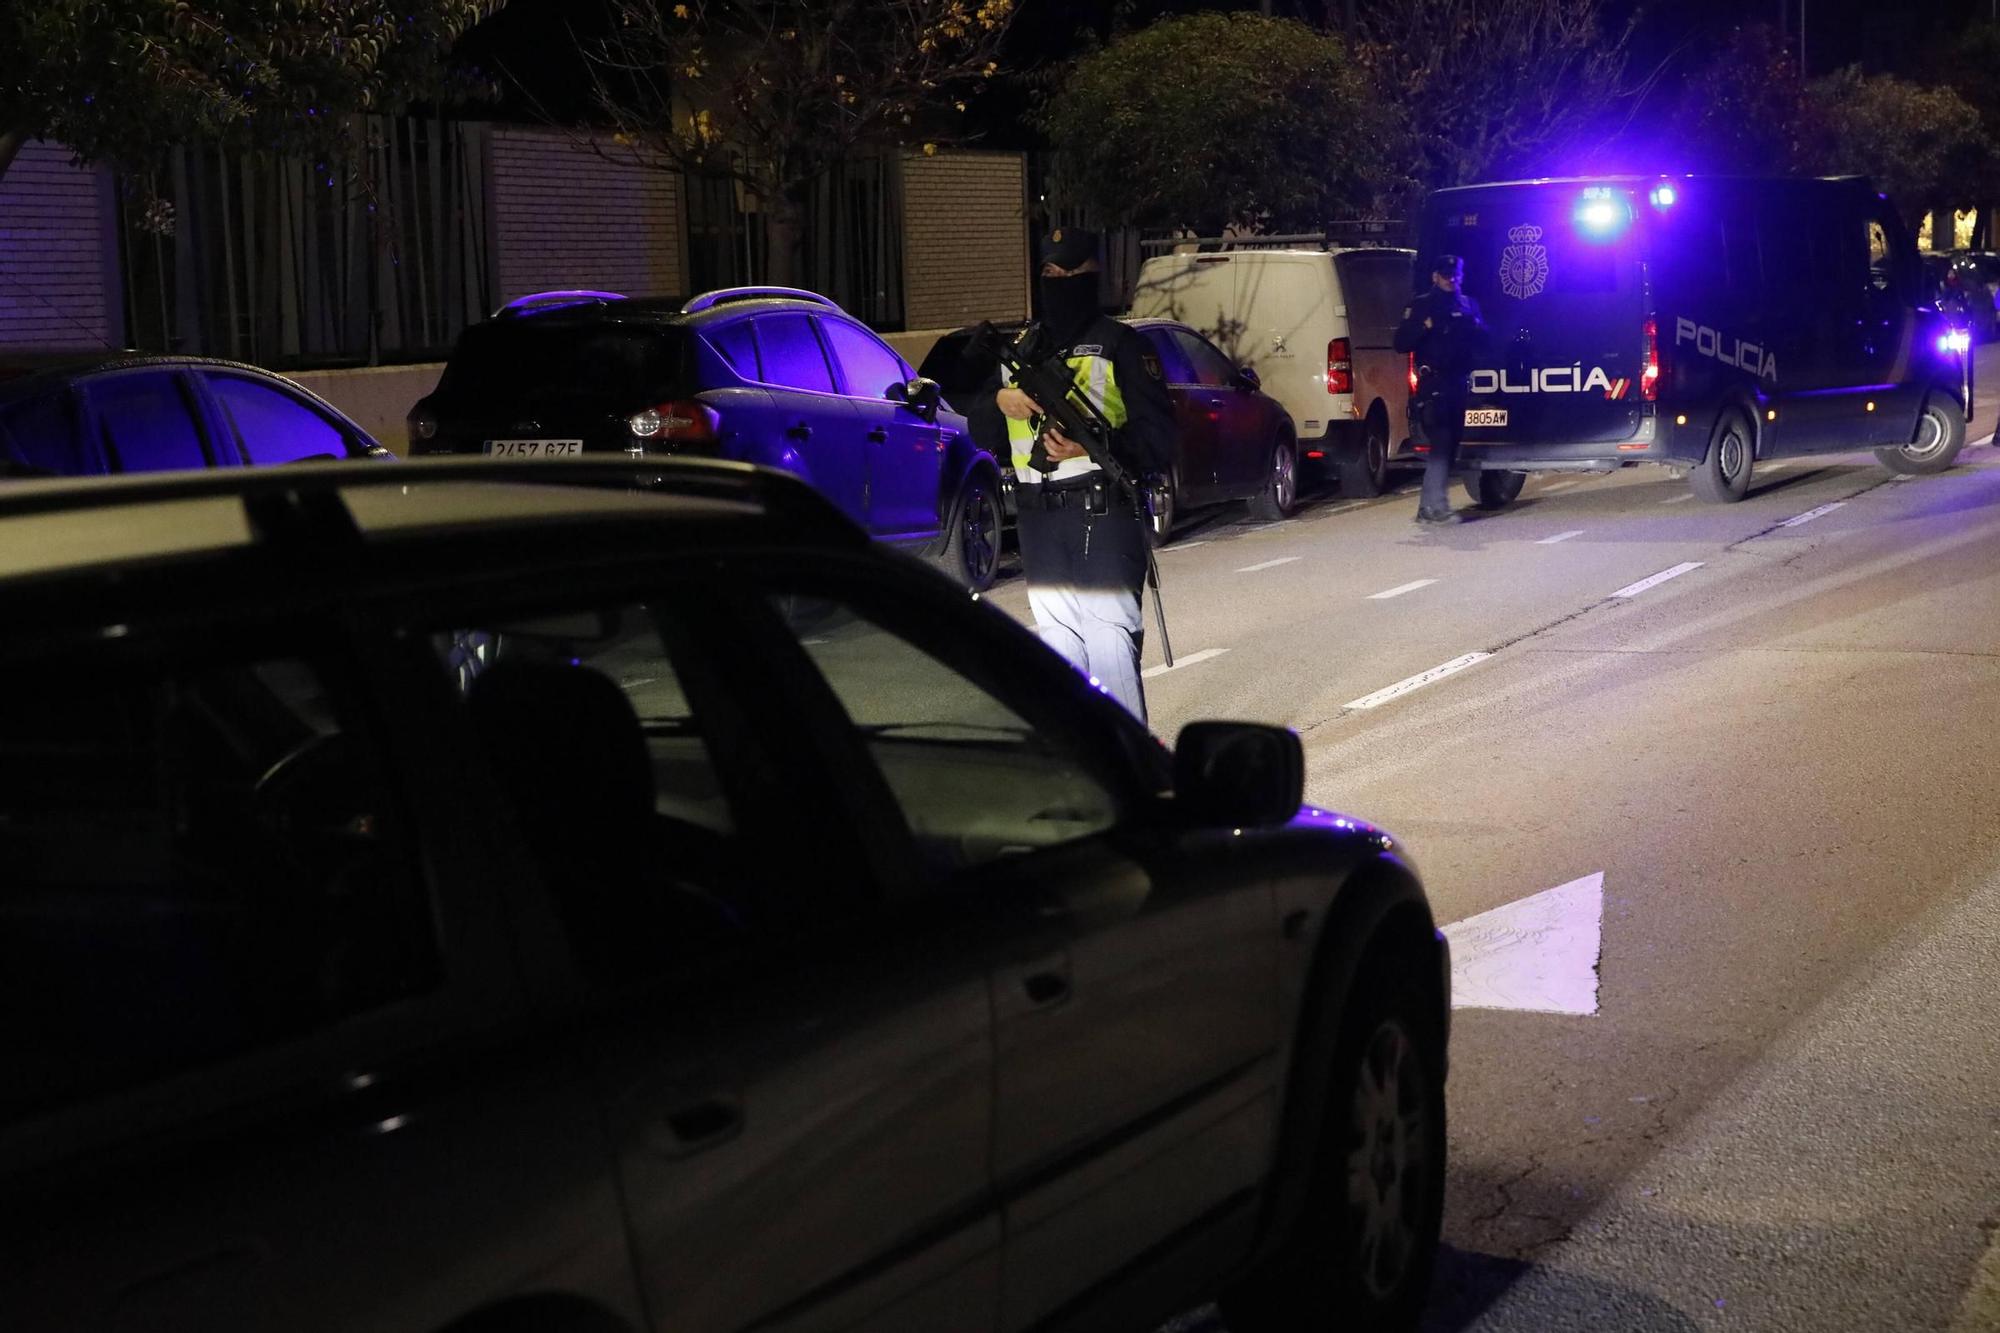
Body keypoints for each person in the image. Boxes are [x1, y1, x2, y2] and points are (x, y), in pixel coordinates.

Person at [969, 227, 1177, 721]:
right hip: (1039, 522)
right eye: (1050, 273)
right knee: (1059, 655)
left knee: (1110, 643)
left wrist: (1092, 443)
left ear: (1093, 276)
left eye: (1071, 273)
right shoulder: (1022, 349)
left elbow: (1160, 438)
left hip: (1102, 511)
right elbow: (980, 430)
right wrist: (1001, 402)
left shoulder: (1120, 345)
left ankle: (1133, 771)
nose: (1059, 282)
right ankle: (1086, 767)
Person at [1394, 254, 1489, 525]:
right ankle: (1437, 506)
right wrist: (1423, 328)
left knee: (1447, 446)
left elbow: (1485, 342)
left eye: (1456, 273)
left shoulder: (1469, 305)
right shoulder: (1422, 305)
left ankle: (1427, 508)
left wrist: (1476, 327)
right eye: (1446, 274)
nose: (1452, 278)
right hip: (1433, 384)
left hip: (1458, 382)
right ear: (1435, 276)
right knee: (1442, 442)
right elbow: (1400, 343)